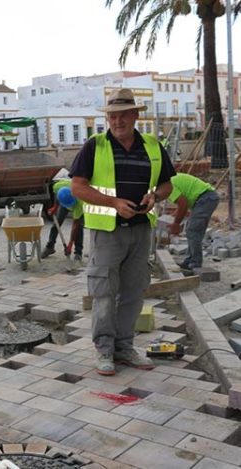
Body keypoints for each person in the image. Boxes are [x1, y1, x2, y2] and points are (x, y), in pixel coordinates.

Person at [70, 88, 176, 376]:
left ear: (134, 116)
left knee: (133, 292)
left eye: (123, 115)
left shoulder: (153, 146)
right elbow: (77, 187)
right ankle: (104, 350)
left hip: (141, 231)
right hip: (107, 232)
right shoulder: (95, 146)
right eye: (112, 116)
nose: (117, 121)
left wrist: (156, 195)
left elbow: (168, 184)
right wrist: (113, 203)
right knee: (104, 292)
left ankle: (124, 347)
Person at [167, 172, 220, 270]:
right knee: (193, 230)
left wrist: (176, 224)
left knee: (192, 230)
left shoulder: (167, 186)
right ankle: (189, 260)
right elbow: (182, 203)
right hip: (206, 198)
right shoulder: (169, 179)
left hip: (205, 198)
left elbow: (183, 204)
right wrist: (175, 215)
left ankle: (195, 262)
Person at [41, 180, 84, 261]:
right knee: (56, 224)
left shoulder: (80, 202)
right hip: (64, 201)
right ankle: (50, 247)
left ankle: (78, 253)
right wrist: (55, 207)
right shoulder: (57, 186)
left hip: (76, 203)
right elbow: (57, 195)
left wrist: (70, 245)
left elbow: (75, 226)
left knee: (78, 228)